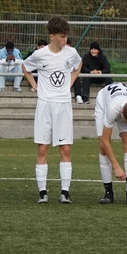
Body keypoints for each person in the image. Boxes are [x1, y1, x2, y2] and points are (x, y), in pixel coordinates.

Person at [23, 16, 81, 203]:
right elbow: (25, 67)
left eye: (66, 36)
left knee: (65, 148)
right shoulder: (40, 55)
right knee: (42, 148)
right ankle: (42, 192)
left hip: (63, 104)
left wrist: (70, 83)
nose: (65, 40)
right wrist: (35, 86)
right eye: (62, 36)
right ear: (52, 36)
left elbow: (78, 65)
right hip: (45, 104)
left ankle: (65, 192)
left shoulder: (71, 52)